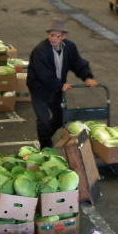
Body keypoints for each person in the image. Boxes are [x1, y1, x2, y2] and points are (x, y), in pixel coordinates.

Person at [26, 18, 99, 149]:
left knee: (60, 118)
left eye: (56, 36)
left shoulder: (69, 47)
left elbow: (77, 63)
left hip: (56, 90)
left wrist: (87, 77)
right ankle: (45, 146)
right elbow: (44, 74)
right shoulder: (40, 51)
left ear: (63, 36)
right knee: (43, 121)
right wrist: (60, 85)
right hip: (39, 90)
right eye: (50, 35)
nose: (52, 39)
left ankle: (46, 137)